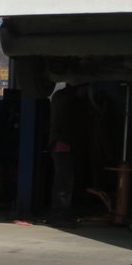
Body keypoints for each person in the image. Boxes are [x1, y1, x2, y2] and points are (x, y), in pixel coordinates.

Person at [48, 83, 79, 227]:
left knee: (62, 181)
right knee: (64, 182)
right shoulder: (69, 101)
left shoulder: (58, 96)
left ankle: (60, 214)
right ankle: (60, 215)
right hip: (63, 144)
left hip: (58, 143)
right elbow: (67, 124)